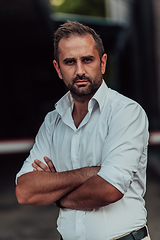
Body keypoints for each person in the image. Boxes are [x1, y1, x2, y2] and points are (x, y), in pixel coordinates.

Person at [16, 21, 150, 240]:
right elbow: (25, 190)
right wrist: (89, 173)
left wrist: (56, 194)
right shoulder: (52, 121)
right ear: (58, 69)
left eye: (87, 59)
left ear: (103, 63)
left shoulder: (126, 113)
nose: (79, 70)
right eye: (70, 62)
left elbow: (109, 189)